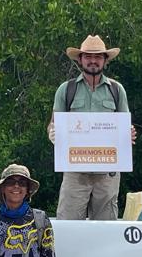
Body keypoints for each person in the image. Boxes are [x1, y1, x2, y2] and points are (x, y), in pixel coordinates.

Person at [49, 34, 137, 221]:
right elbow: (53, 124)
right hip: (75, 171)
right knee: (68, 223)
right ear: (80, 59)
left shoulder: (116, 89)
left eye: (98, 57)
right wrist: (53, 133)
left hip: (108, 173)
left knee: (106, 228)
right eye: (88, 56)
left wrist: (128, 134)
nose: (93, 61)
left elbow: (124, 125)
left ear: (105, 60)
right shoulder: (66, 89)